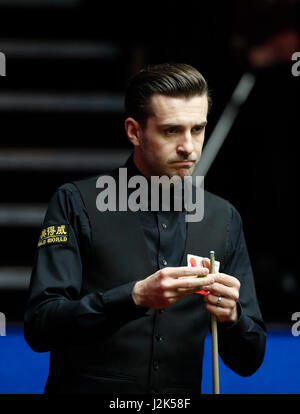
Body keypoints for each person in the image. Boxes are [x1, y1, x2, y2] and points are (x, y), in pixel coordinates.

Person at [24, 63, 266, 394]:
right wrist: (134, 297)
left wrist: (232, 318)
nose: (189, 148)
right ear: (134, 131)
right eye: (171, 131)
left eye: (197, 129)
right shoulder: (76, 202)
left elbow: (249, 360)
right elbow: (41, 327)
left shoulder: (222, 217)